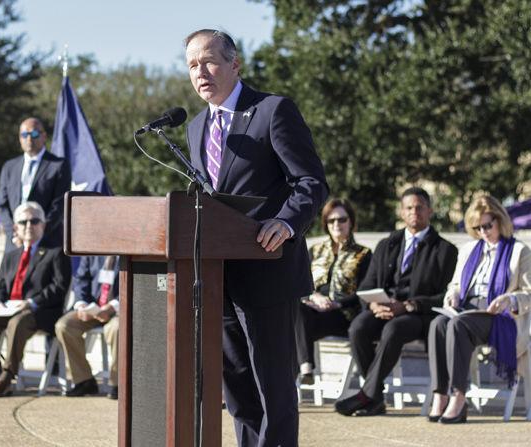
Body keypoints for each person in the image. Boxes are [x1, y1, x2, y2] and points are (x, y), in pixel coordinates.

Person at [184, 29, 328, 446]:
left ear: (234, 63)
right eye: (193, 65)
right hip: (218, 276)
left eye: (209, 61)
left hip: (269, 272)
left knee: (273, 386)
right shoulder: (196, 129)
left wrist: (285, 223)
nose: (201, 72)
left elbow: (310, 182)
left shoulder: (272, 110)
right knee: (238, 389)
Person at [334, 187, 458, 416]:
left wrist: (409, 305)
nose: (414, 212)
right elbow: (366, 286)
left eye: (419, 207)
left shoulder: (446, 250)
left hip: (418, 316)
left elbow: (445, 295)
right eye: (409, 208)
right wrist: (373, 304)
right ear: (401, 212)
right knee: (358, 328)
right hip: (383, 309)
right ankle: (376, 397)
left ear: (429, 210)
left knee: (393, 329)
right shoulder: (386, 244)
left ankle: (366, 395)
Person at [427, 195, 531, 424]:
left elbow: (529, 293)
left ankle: (458, 395)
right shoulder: (469, 250)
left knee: (457, 325)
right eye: (477, 227)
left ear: (499, 221)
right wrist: (452, 294)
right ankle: (440, 393)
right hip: (467, 309)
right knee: (438, 325)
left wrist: (509, 300)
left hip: (499, 315)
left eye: (487, 225)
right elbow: (455, 284)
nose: (483, 231)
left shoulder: (519, 251)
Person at [0, 202, 71, 397]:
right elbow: (0, 287)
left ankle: (8, 376)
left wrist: (32, 302)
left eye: (34, 221)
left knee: (17, 322)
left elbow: (59, 287)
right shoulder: (11, 256)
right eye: (23, 222)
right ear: (15, 227)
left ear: (43, 225)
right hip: (9, 309)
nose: (29, 226)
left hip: (40, 312)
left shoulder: (55, 252)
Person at [295, 199, 371, 384]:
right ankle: (305, 368)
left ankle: (297, 373)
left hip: (344, 315)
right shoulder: (316, 250)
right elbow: (301, 284)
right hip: (313, 312)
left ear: (351, 222)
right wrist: (315, 297)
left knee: (292, 327)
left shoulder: (363, 254)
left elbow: (364, 291)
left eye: (342, 219)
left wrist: (337, 303)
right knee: (295, 310)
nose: (337, 224)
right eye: (331, 220)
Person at [0, 117, 71, 251]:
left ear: (44, 136)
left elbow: (60, 205)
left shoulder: (58, 165)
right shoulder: (9, 167)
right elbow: (2, 205)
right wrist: (15, 233)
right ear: (20, 138)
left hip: (46, 244)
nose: (29, 138)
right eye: (25, 134)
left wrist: (38, 232)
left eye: (34, 134)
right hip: (15, 244)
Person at [55, 255, 120, 399]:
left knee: (117, 328)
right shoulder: (92, 251)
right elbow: (81, 280)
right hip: (92, 308)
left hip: (118, 311)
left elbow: (136, 283)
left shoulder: (129, 252)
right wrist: (82, 304)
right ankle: (84, 380)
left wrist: (112, 307)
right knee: (64, 325)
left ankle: (118, 383)